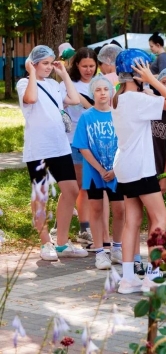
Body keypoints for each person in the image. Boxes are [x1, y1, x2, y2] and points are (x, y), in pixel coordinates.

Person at [111, 49, 166, 294]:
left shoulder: (118, 98)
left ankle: (128, 278)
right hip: (141, 166)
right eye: (146, 69)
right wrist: (152, 80)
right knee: (161, 218)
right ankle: (152, 274)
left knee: (133, 221)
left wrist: (147, 85)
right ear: (137, 71)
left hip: (125, 167)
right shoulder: (137, 100)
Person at [17, 45, 88, 261]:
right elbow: (30, 99)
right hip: (38, 149)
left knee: (71, 190)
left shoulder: (54, 85)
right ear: (34, 63)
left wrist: (64, 73)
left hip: (60, 146)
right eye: (44, 63)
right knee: (40, 195)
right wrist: (31, 73)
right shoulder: (24, 83)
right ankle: (45, 242)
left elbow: (75, 100)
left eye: (50, 63)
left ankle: (62, 244)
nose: (48, 67)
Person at [132, 67, 166, 277]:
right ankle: (135, 261)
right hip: (137, 169)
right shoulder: (145, 104)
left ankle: (153, 262)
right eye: (165, 82)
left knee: (155, 218)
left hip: (155, 172)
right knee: (134, 218)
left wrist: (165, 176)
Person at [72, 75, 125, 269]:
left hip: (117, 171)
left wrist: (114, 169)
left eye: (105, 89)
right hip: (94, 171)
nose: (102, 93)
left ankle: (117, 247)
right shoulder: (87, 116)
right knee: (95, 209)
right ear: (92, 93)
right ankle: (100, 251)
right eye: (98, 90)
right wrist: (101, 169)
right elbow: (83, 147)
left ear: (111, 91)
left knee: (120, 209)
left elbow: (125, 143)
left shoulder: (118, 115)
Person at [57, 48, 99, 247]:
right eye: (85, 66)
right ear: (76, 65)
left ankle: (85, 228)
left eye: (92, 66)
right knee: (76, 186)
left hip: (94, 142)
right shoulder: (67, 84)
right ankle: (62, 225)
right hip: (72, 140)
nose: (89, 70)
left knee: (87, 188)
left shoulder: (99, 85)